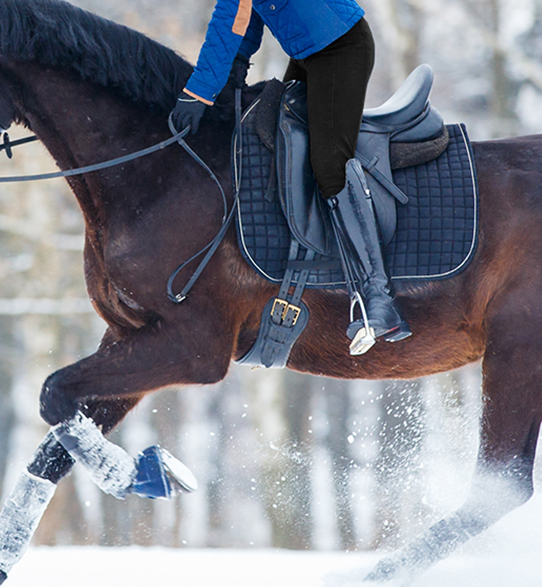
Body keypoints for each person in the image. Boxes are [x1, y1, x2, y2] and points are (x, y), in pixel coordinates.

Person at [170, 0, 411, 354]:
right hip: (309, 54)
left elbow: (229, 14)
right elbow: (245, 13)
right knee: (280, 145)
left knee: (329, 162)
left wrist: (199, 92)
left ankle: (379, 299)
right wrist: (234, 70)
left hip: (341, 47)